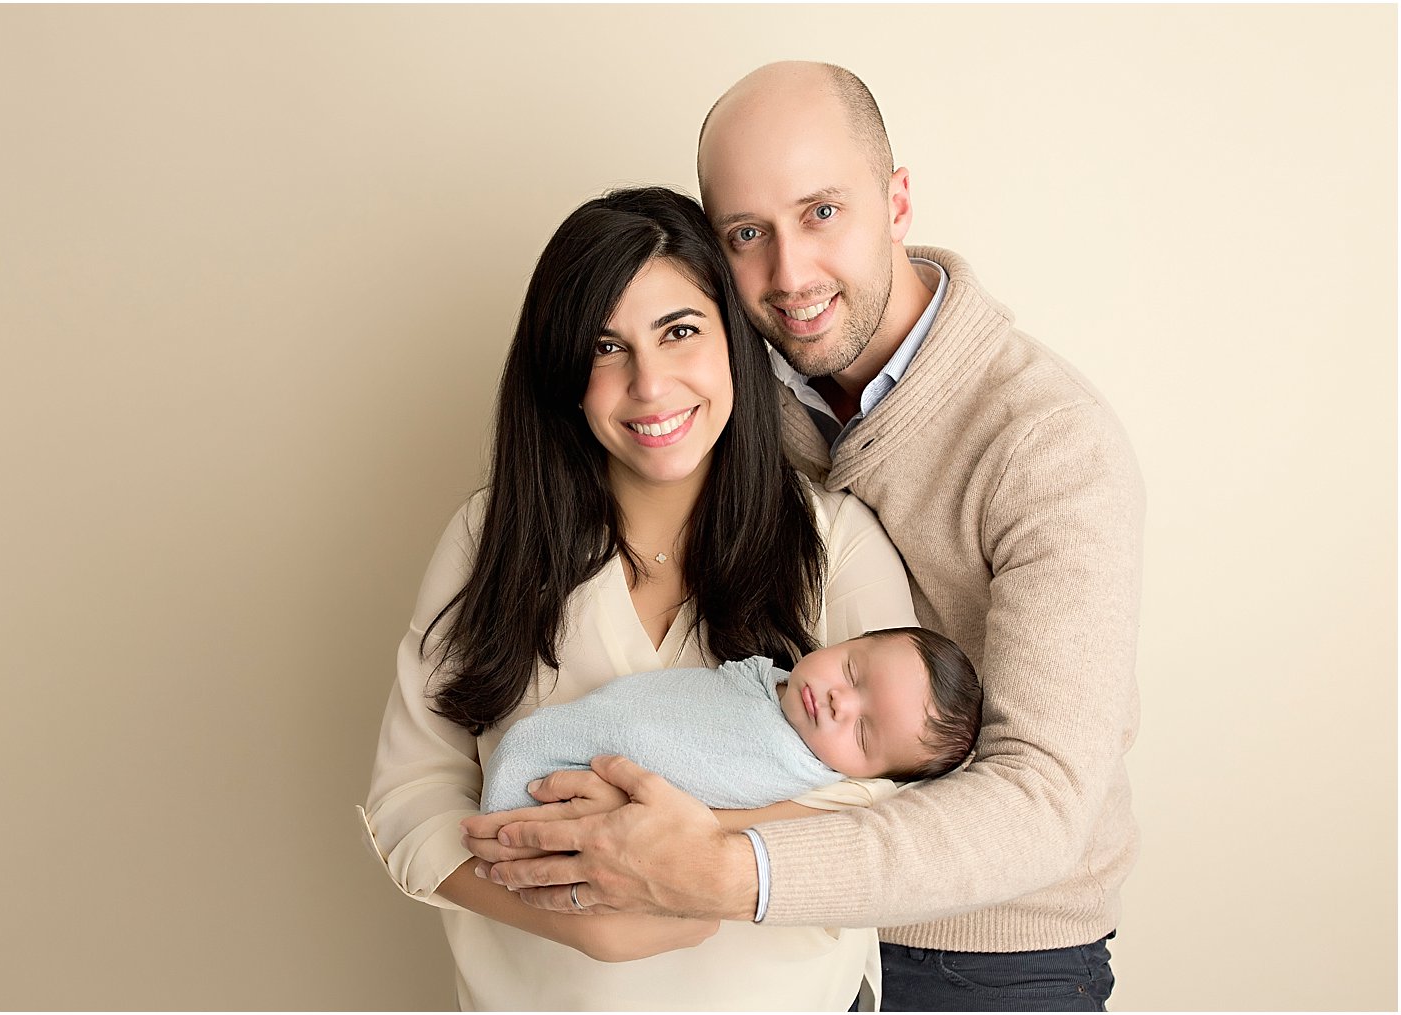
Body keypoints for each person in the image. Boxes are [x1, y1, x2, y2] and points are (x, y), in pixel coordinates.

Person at [463, 62, 1145, 1012]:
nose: (789, 276)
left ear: (897, 200)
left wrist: (725, 866)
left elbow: (1042, 804)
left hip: (985, 955)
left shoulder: (1048, 444)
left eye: (822, 211)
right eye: (748, 234)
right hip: (767, 948)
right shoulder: (721, 403)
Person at [360, 185, 923, 1010]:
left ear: (732, 339)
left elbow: (905, 818)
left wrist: (676, 850)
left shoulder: (836, 545)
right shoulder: (491, 539)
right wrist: (565, 912)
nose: (650, 384)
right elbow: (408, 796)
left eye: (680, 331)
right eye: (605, 346)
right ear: (563, 373)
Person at [481, 626, 981, 813]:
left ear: (867, 776)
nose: (839, 703)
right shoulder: (769, 678)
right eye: (852, 670)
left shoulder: (794, 772)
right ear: (850, 639)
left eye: (863, 732)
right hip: (550, 752)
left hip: (559, 794)